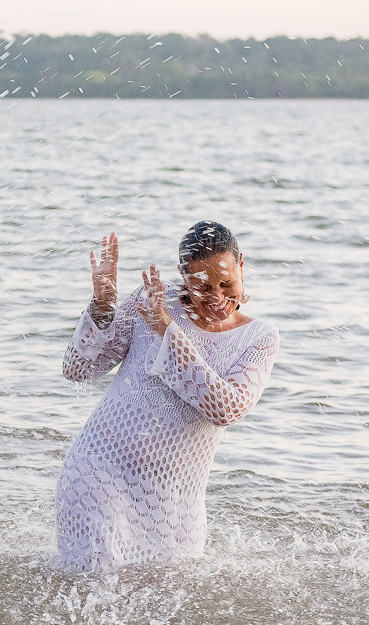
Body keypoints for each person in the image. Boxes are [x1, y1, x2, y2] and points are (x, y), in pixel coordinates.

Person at [56, 221, 279, 570]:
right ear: (182, 276)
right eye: (203, 287)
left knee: (169, 607)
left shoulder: (258, 337)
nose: (217, 298)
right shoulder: (152, 301)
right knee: (90, 592)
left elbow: (226, 408)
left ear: (241, 266)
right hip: (99, 474)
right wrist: (102, 306)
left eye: (226, 283)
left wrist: (166, 330)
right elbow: (78, 370)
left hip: (177, 505)